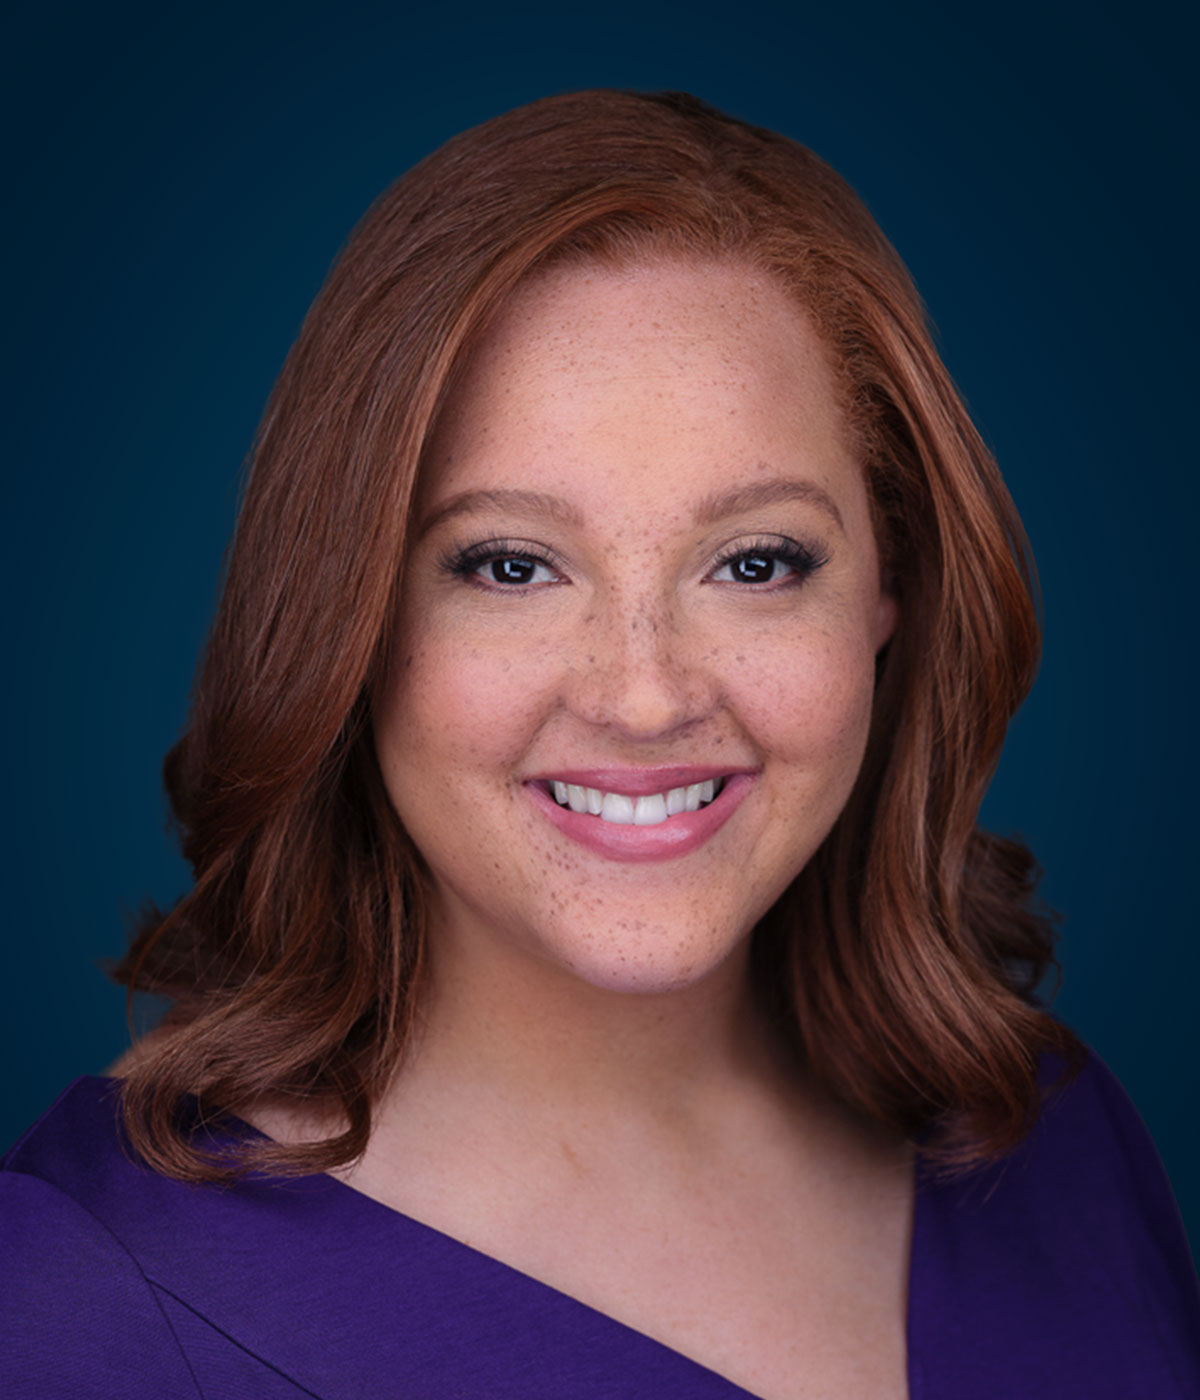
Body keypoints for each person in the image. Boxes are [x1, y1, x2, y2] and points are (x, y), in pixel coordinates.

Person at [2, 88, 1197, 1399]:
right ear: (347, 610)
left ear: (886, 597)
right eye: (511, 565)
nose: (642, 696)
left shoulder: (1050, 1134)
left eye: (754, 561)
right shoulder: (77, 1299)